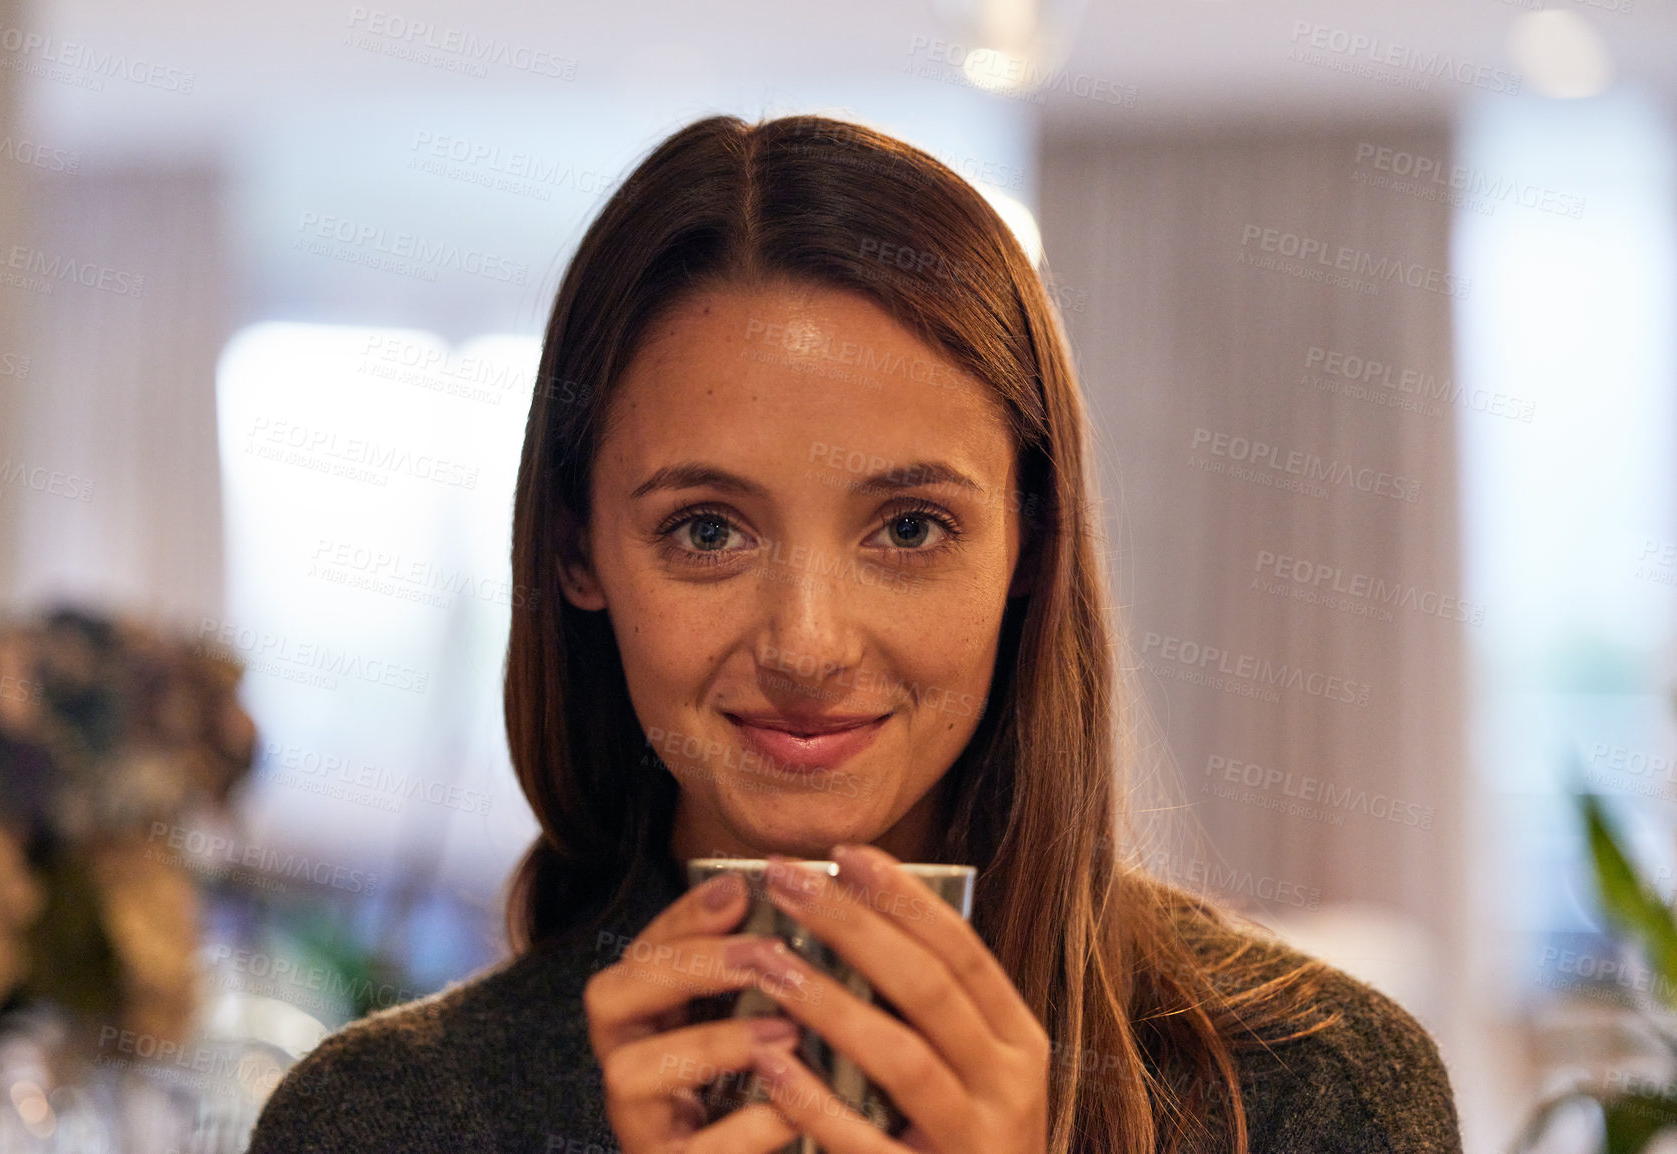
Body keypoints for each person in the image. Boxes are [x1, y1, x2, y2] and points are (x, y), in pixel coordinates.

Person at [246, 113, 1461, 1153]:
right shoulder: (386, 1116)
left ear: (1032, 541)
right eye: (709, 529)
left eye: (912, 526)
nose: (810, 643)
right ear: (576, 549)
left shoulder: (1318, 1086)